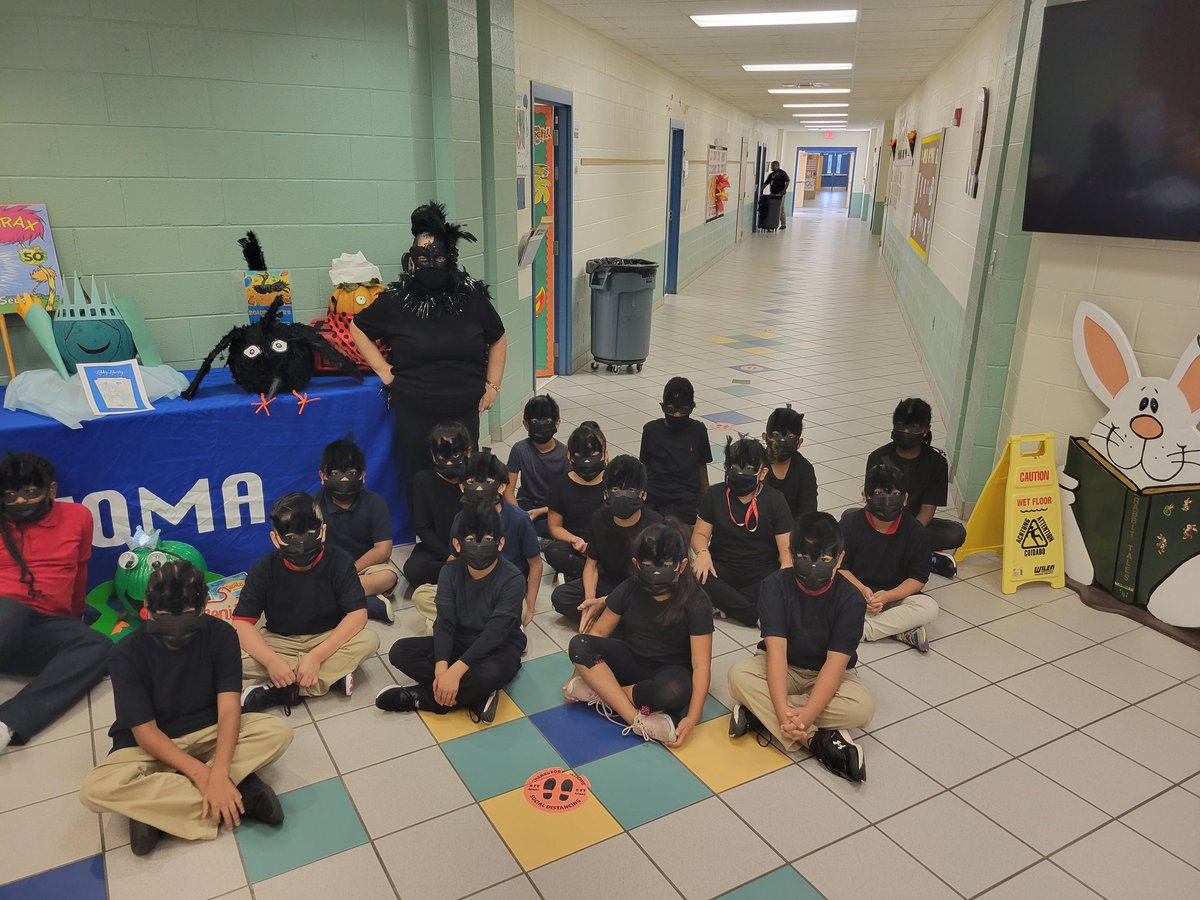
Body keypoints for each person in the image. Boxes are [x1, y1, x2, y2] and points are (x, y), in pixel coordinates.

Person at [80, 561, 293, 856]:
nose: (176, 632)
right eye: (165, 619)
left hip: (210, 732)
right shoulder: (125, 653)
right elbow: (145, 732)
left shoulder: (221, 635)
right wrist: (207, 776)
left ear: (205, 606)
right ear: (147, 607)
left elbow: (229, 708)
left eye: (188, 620)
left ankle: (158, 812)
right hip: (152, 745)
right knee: (95, 788)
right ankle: (239, 794)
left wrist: (218, 771)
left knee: (276, 731)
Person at [349, 202, 507, 504]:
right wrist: (383, 369)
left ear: (450, 257)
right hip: (414, 406)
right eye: (422, 256)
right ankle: (426, 536)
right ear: (412, 259)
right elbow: (358, 328)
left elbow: (498, 338)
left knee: (463, 472)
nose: (430, 263)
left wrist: (493, 385)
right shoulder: (396, 301)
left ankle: (465, 533)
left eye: (437, 255)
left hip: (463, 406)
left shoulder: (471, 296)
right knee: (419, 474)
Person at [727, 513, 875, 783]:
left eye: (826, 560)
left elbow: (835, 665)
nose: (814, 567)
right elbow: (776, 653)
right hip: (785, 666)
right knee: (738, 675)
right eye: (805, 558)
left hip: (827, 674)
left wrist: (804, 714)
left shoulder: (851, 600)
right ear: (791, 554)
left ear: (840, 559)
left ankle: (760, 713)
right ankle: (817, 741)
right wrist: (803, 725)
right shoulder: (773, 586)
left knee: (862, 708)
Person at [564, 523, 713, 746]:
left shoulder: (696, 602)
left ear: (682, 566)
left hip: (669, 671)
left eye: (664, 565)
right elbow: (599, 632)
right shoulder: (630, 587)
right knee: (579, 643)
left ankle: (605, 692)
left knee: (673, 693)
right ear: (636, 564)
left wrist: (691, 718)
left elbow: (701, 667)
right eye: (648, 565)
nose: (655, 571)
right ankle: (635, 719)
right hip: (631, 658)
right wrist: (574, 677)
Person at [0, 451, 109, 752]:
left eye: (30, 493)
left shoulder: (78, 517)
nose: (20, 502)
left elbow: (81, 569)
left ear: (51, 490)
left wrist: (75, 617)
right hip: (3, 616)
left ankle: (8, 724)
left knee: (98, 647)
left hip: (43, 624)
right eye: (9, 496)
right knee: (9, 612)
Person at [376, 503, 525, 724]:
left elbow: (495, 634)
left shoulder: (513, 579)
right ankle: (474, 694)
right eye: (471, 540)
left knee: (491, 674)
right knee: (400, 652)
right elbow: (444, 623)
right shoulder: (449, 572)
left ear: (500, 542)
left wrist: (455, 674)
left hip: (499, 647)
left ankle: (424, 698)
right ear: (457, 543)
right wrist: (442, 669)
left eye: (486, 540)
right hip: (460, 640)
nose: (479, 546)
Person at [233, 493, 381, 712]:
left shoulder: (340, 561)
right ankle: (328, 678)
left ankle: (283, 689)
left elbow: (358, 615)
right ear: (275, 539)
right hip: (280, 640)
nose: (300, 545)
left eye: (309, 534)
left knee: (369, 640)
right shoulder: (264, 568)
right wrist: (272, 660)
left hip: (327, 637)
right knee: (228, 656)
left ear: (322, 532)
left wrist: (316, 656)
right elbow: (242, 622)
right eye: (291, 537)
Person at [413, 450, 542, 628]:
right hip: (469, 587)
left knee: (512, 609)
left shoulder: (519, 519)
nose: (479, 488)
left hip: (504, 591)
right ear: (461, 487)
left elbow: (535, 564)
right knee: (421, 595)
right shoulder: (460, 518)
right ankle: (475, 626)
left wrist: (530, 607)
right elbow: (454, 559)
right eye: (471, 482)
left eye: (488, 482)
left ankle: (467, 625)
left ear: (502, 486)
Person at [551, 455, 662, 627]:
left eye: (631, 490)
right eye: (616, 489)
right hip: (609, 582)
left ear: (643, 495)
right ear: (606, 493)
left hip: (641, 588)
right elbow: (591, 564)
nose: (623, 496)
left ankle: (610, 620)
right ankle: (614, 621)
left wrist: (606, 602)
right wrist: (590, 601)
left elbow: (654, 581)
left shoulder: (655, 527)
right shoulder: (599, 518)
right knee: (560, 597)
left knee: (652, 608)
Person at [691, 437, 792, 627]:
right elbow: (700, 535)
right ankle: (753, 615)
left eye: (748, 469)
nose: (739, 473)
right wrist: (702, 553)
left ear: (762, 473)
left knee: (779, 585)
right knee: (694, 576)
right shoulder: (715, 494)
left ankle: (726, 603)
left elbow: (785, 549)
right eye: (734, 467)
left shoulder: (776, 500)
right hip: (722, 566)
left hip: (761, 569)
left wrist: (785, 571)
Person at [839, 464, 938, 652]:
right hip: (854, 592)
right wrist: (862, 590)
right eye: (878, 493)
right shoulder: (849, 524)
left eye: (894, 494)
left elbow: (918, 579)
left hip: (893, 597)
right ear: (864, 496)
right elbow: (839, 568)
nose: (886, 500)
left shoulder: (915, 531)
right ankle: (898, 631)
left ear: (905, 498)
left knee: (928, 607)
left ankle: (863, 630)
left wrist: (887, 596)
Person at [866, 398, 967, 578]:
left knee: (956, 533)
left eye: (913, 427)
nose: (905, 431)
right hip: (882, 521)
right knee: (849, 517)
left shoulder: (936, 463)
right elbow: (872, 504)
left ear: (925, 430)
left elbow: (927, 511)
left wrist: (905, 535)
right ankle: (922, 557)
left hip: (916, 524)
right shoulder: (878, 457)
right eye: (901, 425)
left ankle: (893, 553)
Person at [314, 436, 399, 625]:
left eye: (351, 472)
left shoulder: (375, 502)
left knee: (389, 576)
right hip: (330, 568)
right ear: (322, 476)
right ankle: (366, 603)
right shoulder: (314, 507)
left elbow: (383, 550)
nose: (344, 479)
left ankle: (339, 601)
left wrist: (352, 570)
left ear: (363, 475)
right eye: (335, 473)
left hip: (365, 566)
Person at [403, 422, 472, 589]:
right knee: (413, 569)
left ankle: (463, 575)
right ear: (433, 455)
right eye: (442, 456)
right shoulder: (423, 480)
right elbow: (423, 528)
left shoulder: (476, 477)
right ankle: (463, 575)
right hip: (440, 549)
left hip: (475, 546)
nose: (449, 463)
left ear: (467, 451)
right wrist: (448, 556)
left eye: (455, 454)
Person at [639, 377, 711, 532]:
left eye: (682, 411)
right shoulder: (650, 430)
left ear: (691, 408)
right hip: (655, 498)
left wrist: (708, 503)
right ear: (663, 407)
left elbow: (702, 468)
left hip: (686, 500)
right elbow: (643, 468)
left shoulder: (698, 431)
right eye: (671, 410)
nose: (677, 416)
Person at [544, 422, 608, 581]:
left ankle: (588, 574)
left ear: (605, 454)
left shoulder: (613, 484)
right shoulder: (560, 486)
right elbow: (554, 527)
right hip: (575, 547)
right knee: (554, 551)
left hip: (606, 545)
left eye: (594, 457)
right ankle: (594, 573)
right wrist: (574, 540)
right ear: (569, 456)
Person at [506, 395, 568, 539]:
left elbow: (567, 497)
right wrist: (518, 514)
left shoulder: (565, 453)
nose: (541, 425)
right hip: (525, 505)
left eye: (547, 421)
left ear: (557, 423)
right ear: (525, 424)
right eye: (535, 421)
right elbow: (508, 490)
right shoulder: (519, 449)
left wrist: (541, 511)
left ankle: (532, 537)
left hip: (553, 508)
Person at [763, 405, 818, 518]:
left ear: (799, 443)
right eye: (776, 435)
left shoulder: (804, 469)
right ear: (765, 437)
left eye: (790, 437)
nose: (782, 441)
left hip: (792, 530)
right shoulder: (755, 463)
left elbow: (808, 512)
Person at [763, 160, 791, 230]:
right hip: (772, 193)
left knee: (780, 208)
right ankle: (772, 224)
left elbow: (788, 181)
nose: (771, 167)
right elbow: (766, 183)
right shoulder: (771, 175)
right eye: (771, 166)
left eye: (773, 166)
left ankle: (783, 224)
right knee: (772, 209)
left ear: (777, 166)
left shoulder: (782, 173)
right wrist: (760, 189)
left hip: (780, 193)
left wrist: (784, 189)